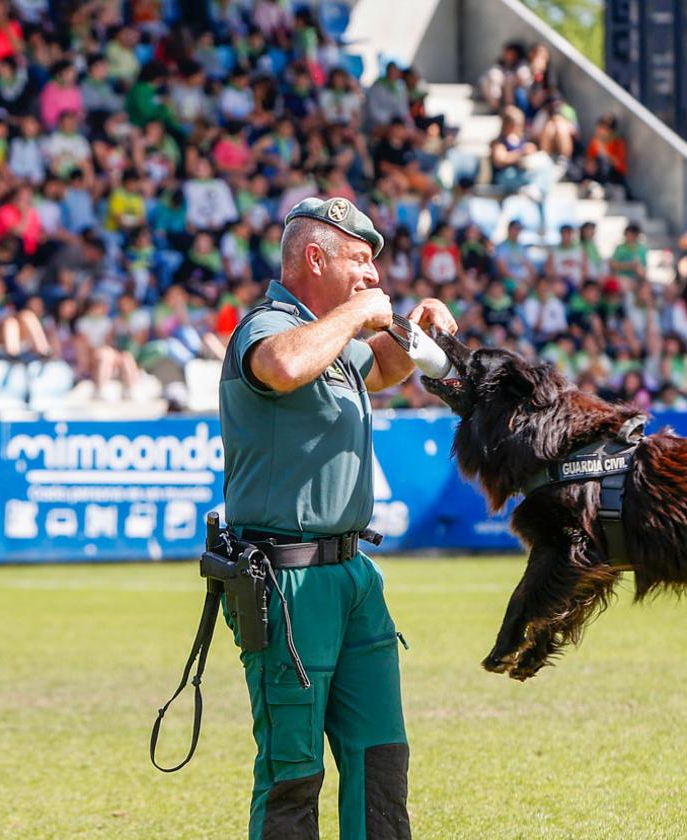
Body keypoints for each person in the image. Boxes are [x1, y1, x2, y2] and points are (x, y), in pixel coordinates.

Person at [218, 196, 456, 839]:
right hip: (286, 579)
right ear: (315, 257)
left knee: (380, 757)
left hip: (353, 574)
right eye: (360, 259)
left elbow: (380, 368)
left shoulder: (332, 335)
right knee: (293, 772)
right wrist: (357, 314)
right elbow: (282, 365)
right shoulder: (266, 326)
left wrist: (415, 335)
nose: (374, 275)